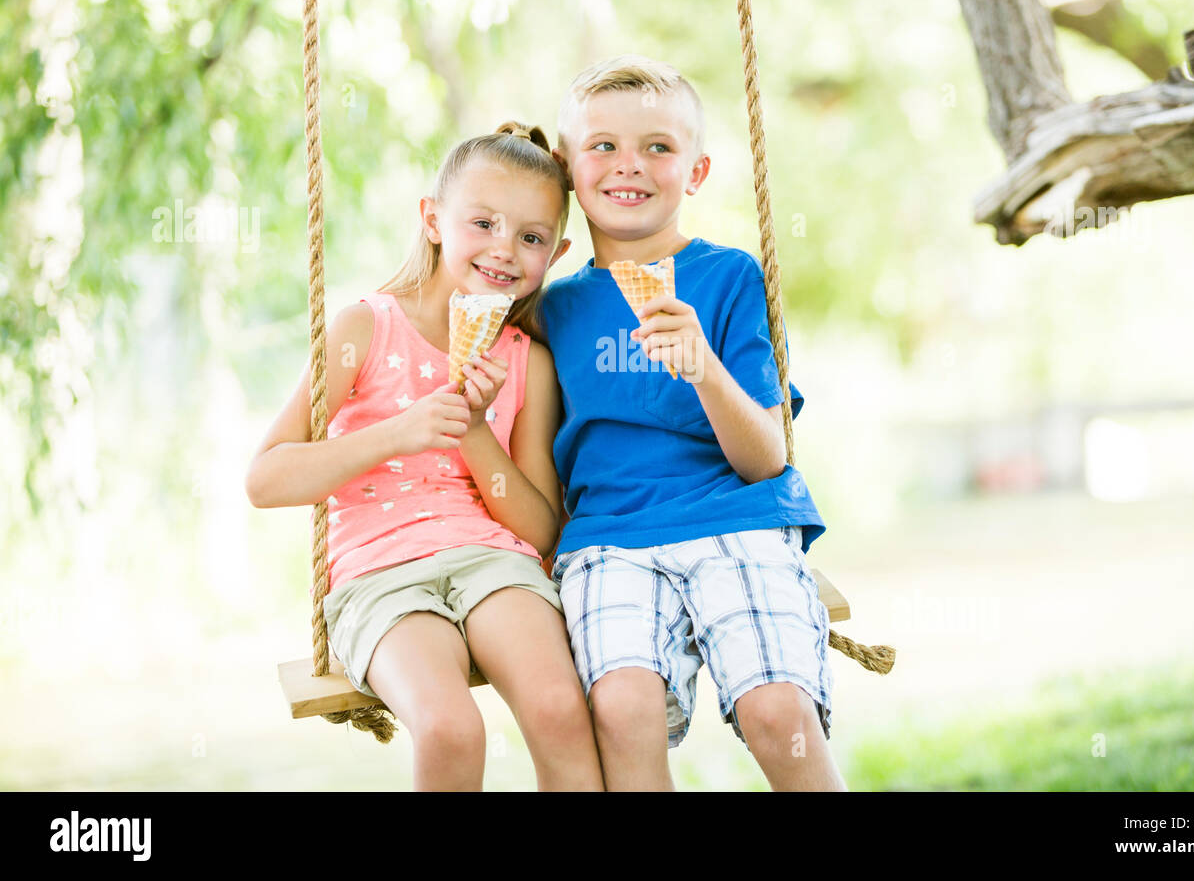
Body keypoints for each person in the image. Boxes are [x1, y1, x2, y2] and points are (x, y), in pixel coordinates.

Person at [245, 122, 604, 792]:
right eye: (484, 223)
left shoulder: (530, 363)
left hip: (494, 561)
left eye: (529, 237)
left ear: (554, 253)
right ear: (433, 219)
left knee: (560, 708)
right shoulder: (365, 329)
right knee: (449, 729)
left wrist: (470, 427)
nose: (504, 249)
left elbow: (541, 528)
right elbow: (265, 479)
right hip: (379, 572)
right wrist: (401, 430)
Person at [543, 55, 844, 790]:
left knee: (777, 710)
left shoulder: (730, 277)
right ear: (567, 167)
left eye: (659, 147)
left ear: (697, 171)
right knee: (622, 708)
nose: (629, 166)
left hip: (734, 516)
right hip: (609, 539)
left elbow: (766, 460)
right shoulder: (551, 309)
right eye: (603, 145)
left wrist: (704, 366)